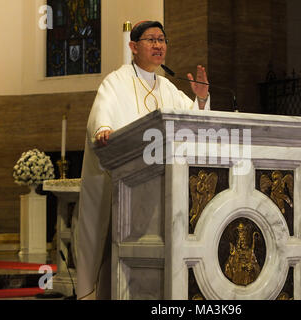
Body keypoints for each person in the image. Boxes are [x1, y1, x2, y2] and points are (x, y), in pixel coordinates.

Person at [77, 21, 210, 300]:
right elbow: (103, 110)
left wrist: (200, 100)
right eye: (151, 40)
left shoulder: (169, 88)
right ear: (133, 47)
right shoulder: (117, 81)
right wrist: (103, 129)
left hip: (163, 188)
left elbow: (194, 123)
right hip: (126, 187)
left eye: (162, 39)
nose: (159, 45)